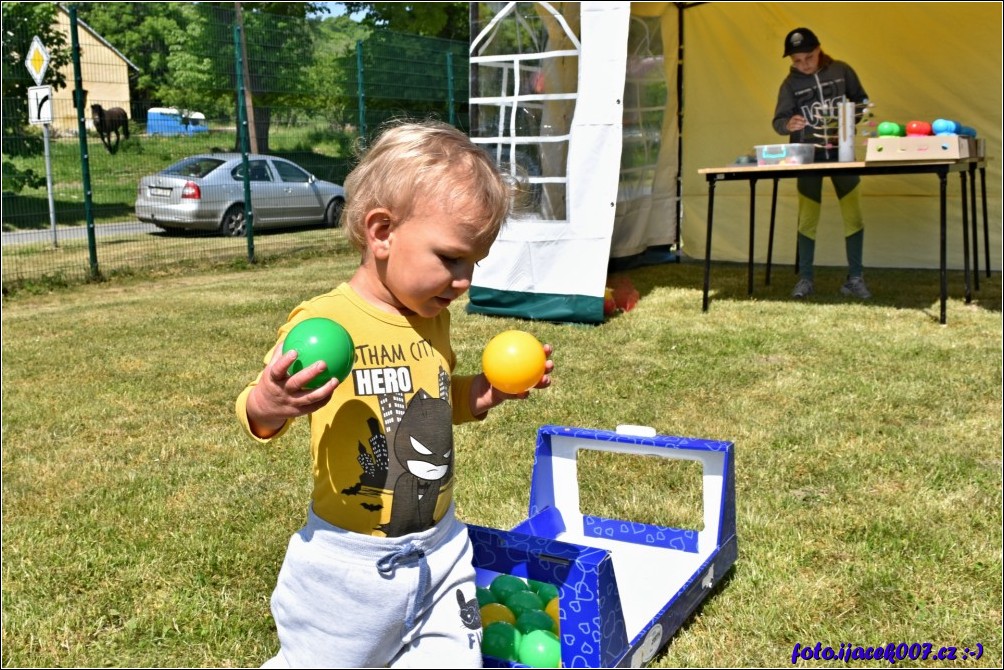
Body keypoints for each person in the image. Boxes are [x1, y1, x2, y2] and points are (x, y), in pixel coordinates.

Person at [235, 119, 555, 668]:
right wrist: (271, 403)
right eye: (450, 258)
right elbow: (256, 412)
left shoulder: (431, 320)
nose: (464, 281)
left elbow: (433, 400)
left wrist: (481, 393)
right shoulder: (324, 322)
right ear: (382, 232)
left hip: (441, 550)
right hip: (350, 568)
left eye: (473, 264)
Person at [772, 27, 872, 300]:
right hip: (806, 157)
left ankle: (855, 278)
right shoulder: (789, 85)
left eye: (809, 57)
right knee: (807, 218)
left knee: (853, 215)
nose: (804, 65)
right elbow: (778, 121)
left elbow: (862, 101)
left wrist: (849, 122)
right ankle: (805, 279)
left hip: (843, 153)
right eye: (797, 61)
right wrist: (788, 124)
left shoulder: (841, 71)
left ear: (819, 50)